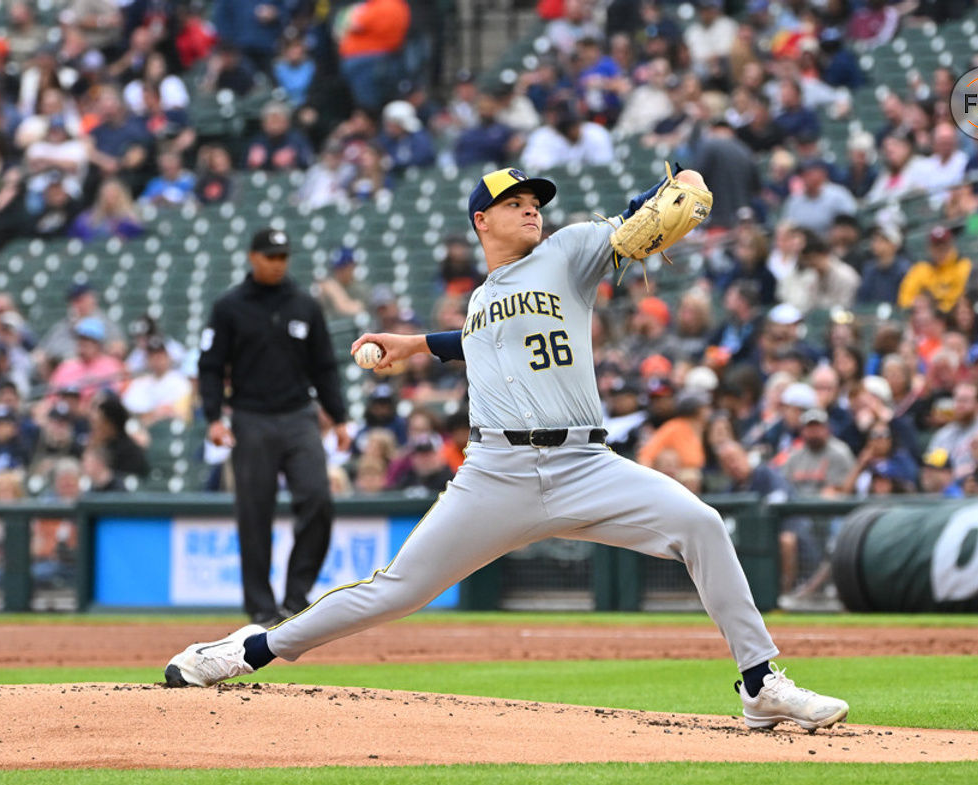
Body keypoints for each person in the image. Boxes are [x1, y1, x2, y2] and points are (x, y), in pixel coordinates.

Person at [166, 166, 848, 733]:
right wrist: (413, 344)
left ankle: (759, 683)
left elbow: (645, 217)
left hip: (586, 463)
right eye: (513, 203)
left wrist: (675, 192)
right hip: (496, 474)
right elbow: (480, 337)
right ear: (480, 221)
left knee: (700, 524)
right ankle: (246, 649)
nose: (530, 211)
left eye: (534, 203)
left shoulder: (571, 251)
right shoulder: (480, 299)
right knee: (394, 591)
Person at [197, 228, 351, 627]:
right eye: (270, 256)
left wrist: (339, 416)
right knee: (254, 512)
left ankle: (296, 597)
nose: (277, 263)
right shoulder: (229, 306)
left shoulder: (305, 304)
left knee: (318, 498)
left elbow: (324, 366)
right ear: (253, 257)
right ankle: (261, 607)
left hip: (300, 414)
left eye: (283, 256)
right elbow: (211, 367)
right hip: (250, 418)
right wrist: (213, 417)